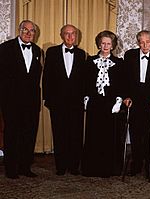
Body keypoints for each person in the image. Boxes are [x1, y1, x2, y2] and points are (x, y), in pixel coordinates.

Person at [0, 20, 42, 179]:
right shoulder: (5, 48)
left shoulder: (38, 51)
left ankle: (25, 167)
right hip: (11, 101)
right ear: (19, 30)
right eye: (26, 30)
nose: (29, 33)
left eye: (32, 31)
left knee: (29, 134)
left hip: (31, 102)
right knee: (12, 134)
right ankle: (11, 169)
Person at [123, 30, 150, 178]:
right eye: (141, 42)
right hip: (135, 100)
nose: (145, 45)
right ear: (137, 43)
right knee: (135, 134)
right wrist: (127, 96)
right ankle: (135, 165)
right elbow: (126, 78)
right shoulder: (129, 55)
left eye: (147, 42)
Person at [42, 24, 86, 176]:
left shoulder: (81, 54)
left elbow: (83, 81)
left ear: (76, 36)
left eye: (73, 34)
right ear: (61, 35)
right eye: (67, 34)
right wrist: (47, 99)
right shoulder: (52, 52)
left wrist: (83, 99)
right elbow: (46, 77)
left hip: (76, 103)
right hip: (57, 102)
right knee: (59, 134)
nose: (70, 37)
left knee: (75, 134)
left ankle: (74, 166)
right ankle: (60, 166)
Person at [81, 30, 125, 177]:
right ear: (99, 44)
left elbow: (121, 84)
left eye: (108, 43)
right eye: (103, 43)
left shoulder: (119, 63)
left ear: (112, 46)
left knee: (109, 136)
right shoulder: (90, 61)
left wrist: (119, 101)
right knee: (94, 135)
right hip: (95, 102)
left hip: (111, 103)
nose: (105, 46)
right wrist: (86, 98)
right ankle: (92, 168)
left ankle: (108, 169)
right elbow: (86, 82)